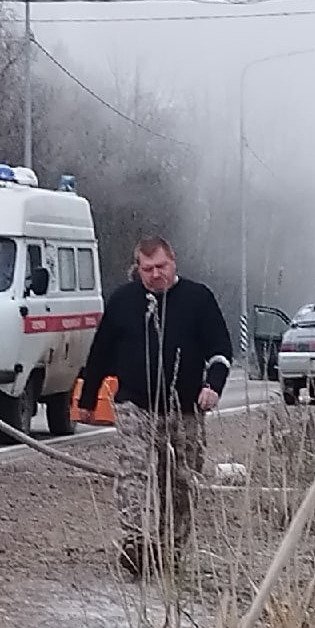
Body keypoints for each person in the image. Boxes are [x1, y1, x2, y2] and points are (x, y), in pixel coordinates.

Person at [76, 237, 233, 577]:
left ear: (173, 262)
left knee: (180, 481)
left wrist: (213, 386)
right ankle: (133, 542)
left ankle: (170, 551)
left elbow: (221, 348)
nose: (155, 275)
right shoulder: (122, 301)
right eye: (147, 269)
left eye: (160, 267)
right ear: (138, 269)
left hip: (185, 408)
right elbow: (100, 353)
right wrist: (87, 399)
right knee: (134, 471)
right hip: (135, 405)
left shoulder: (198, 299)